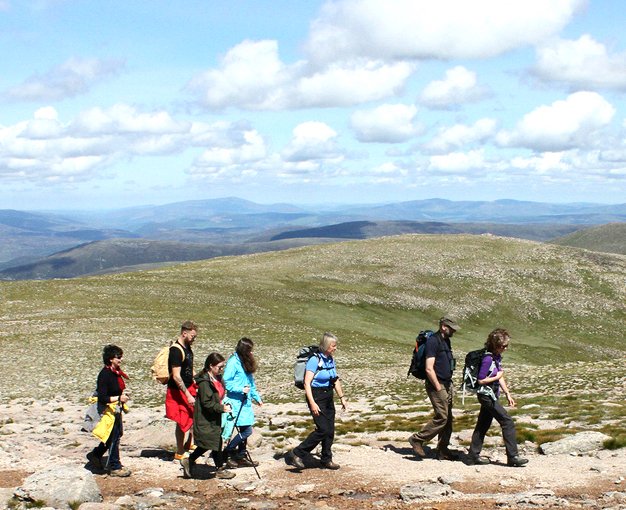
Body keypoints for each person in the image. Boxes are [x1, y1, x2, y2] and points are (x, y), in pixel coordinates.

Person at [467, 328, 528, 467]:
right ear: (495, 345)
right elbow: (481, 380)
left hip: (491, 394)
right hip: (486, 396)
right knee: (507, 422)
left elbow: (500, 376)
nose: (505, 348)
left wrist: (507, 393)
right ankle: (513, 457)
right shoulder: (488, 359)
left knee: (483, 425)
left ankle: (473, 456)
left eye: (506, 346)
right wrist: (497, 376)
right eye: (503, 346)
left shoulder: (496, 357)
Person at [286, 332, 347, 470]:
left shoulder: (330, 359)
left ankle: (326, 459)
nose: (335, 348)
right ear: (326, 345)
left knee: (330, 430)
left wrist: (342, 398)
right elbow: (307, 383)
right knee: (323, 429)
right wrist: (312, 403)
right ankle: (298, 452)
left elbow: (335, 379)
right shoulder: (314, 360)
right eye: (333, 345)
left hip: (328, 395)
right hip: (316, 395)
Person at [408, 316, 459, 461]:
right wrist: (438, 387)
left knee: (448, 419)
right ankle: (417, 439)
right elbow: (429, 369)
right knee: (442, 417)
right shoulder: (433, 342)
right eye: (452, 328)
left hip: (447, 383)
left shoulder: (446, 341)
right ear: (444, 326)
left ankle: (442, 450)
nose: (454, 331)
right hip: (437, 385)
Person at [180, 353, 236, 479]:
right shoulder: (205, 382)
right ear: (211, 366)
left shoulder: (216, 378)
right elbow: (206, 403)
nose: (221, 370)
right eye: (219, 367)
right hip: (206, 417)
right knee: (211, 442)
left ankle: (191, 461)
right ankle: (217, 468)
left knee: (214, 442)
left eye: (222, 367)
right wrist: (221, 408)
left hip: (215, 416)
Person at [86, 344, 131, 477]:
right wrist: (119, 398)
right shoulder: (105, 375)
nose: (120, 360)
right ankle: (115, 466)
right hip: (107, 411)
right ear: (111, 359)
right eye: (118, 357)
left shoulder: (115, 373)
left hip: (115, 409)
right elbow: (102, 397)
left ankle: (96, 454)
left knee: (115, 436)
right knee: (114, 437)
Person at [222, 337, 264, 468]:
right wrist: (240, 389)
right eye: (249, 351)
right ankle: (228, 451)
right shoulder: (233, 362)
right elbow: (226, 382)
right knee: (246, 431)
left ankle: (241, 455)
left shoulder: (245, 362)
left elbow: (250, 383)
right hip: (235, 402)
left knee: (244, 429)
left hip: (245, 403)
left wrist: (256, 397)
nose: (251, 353)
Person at [166, 320, 198, 461]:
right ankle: (179, 451)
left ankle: (189, 444)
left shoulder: (187, 348)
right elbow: (176, 376)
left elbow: (189, 368)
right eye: (192, 336)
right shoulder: (176, 350)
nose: (193, 339)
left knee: (193, 415)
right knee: (182, 419)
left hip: (189, 386)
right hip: (178, 390)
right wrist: (187, 394)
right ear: (184, 333)